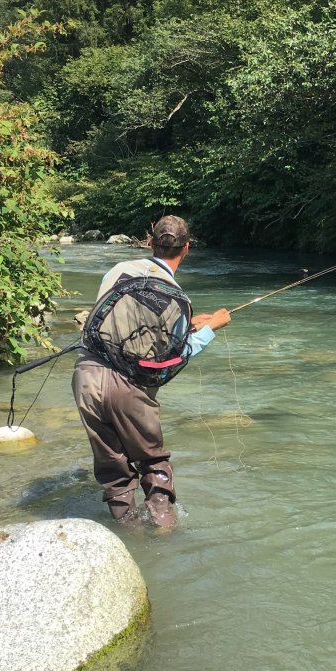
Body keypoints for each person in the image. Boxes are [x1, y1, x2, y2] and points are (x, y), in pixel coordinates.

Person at [71, 215, 230, 527]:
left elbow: (112, 324)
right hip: (127, 389)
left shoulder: (117, 271)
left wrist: (191, 326)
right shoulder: (176, 297)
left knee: (112, 467)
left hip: (86, 376)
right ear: (186, 248)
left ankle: (127, 532)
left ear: (149, 242)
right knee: (152, 460)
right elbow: (175, 356)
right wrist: (210, 329)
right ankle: (164, 531)